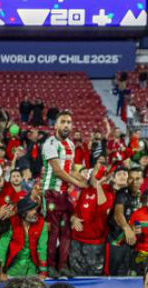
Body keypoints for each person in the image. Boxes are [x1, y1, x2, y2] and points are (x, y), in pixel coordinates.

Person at [41, 111, 87, 278]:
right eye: (63, 122)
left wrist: (83, 178)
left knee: (66, 231)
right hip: (51, 193)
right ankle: (50, 266)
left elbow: (69, 169)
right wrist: (78, 183)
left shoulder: (71, 145)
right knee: (53, 232)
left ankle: (63, 266)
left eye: (69, 122)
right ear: (56, 125)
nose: (66, 125)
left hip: (64, 194)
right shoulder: (50, 143)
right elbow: (58, 171)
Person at [0, 196, 48, 278]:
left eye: (35, 209)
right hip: (13, 269)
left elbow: (42, 248)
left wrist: (43, 272)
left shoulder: (41, 224)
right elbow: (3, 247)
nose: (35, 212)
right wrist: (0, 272)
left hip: (33, 269)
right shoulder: (12, 223)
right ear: (23, 213)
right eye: (31, 209)